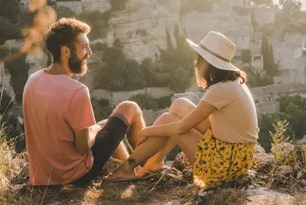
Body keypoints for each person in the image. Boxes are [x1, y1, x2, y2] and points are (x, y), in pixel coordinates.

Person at [106, 31, 259, 189]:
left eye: (198, 58)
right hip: (236, 156)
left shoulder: (221, 90)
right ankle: (154, 163)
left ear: (206, 63)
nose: (195, 62)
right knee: (180, 104)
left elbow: (181, 127)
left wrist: (147, 131)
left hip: (224, 166)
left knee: (169, 121)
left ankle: (128, 168)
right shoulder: (233, 83)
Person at [23, 17, 145, 186]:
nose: (90, 52)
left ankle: (128, 170)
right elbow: (83, 146)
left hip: (44, 177)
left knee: (104, 125)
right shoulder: (77, 91)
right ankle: (147, 167)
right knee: (130, 108)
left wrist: (96, 128)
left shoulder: (32, 81)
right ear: (66, 52)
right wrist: (95, 129)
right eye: (84, 47)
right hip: (75, 175)